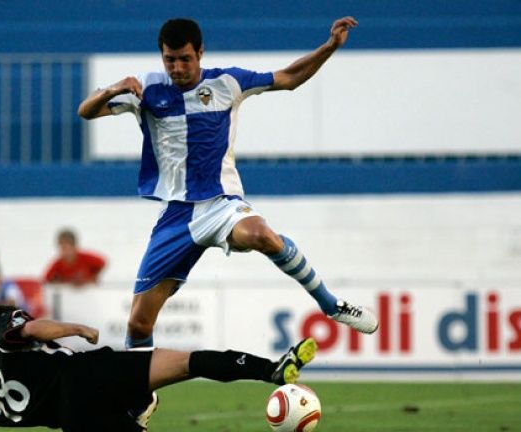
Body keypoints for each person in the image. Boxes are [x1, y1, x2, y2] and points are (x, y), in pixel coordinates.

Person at [77, 16, 378, 352]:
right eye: (169, 59)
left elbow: (290, 78)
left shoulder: (228, 82)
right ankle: (141, 395)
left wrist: (329, 47)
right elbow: (86, 112)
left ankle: (331, 305)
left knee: (261, 234)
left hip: (222, 203)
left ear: (200, 53)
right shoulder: (145, 88)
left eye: (185, 59)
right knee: (138, 323)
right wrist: (114, 88)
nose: (177, 67)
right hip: (176, 215)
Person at [0, 305, 318, 432]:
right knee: (188, 362)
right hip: (88, 373)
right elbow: (31, 327)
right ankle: (270, 369)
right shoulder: (3, 331)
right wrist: (76, 328)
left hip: (74, 419)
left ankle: (133, 413)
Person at [42, 228, 107, 287]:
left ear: (74, 247)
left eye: (67, 248)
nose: (65, 252)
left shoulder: (85, 258)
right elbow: (45, 280)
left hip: (88, 292)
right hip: (70, 296)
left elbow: (103, 262)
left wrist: (92, 277)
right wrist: (58, 282)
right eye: (62, 248)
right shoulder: (58, 264)